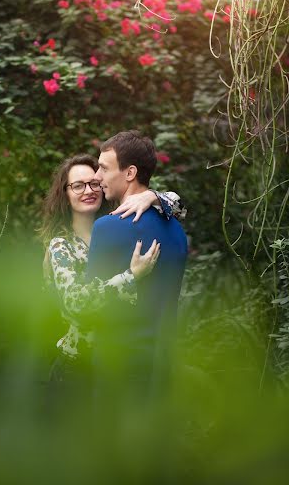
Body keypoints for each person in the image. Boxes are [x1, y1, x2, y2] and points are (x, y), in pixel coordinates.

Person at [40, 153, 185, 391]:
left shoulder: (117, 225)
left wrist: (151, 196)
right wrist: (130, 276)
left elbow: (180, 209)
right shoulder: (61, 245)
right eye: (78, 186)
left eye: (94, 183)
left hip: (114, 365)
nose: (88, 190)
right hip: (77, 368)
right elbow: (75, 302)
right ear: (64, 194)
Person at [87, 131, 188, 392]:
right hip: (162, 367)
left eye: (104, 168)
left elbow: (88, 304)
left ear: (130, 173)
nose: (97, 177)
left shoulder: (107, 227)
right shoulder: (176, 229)